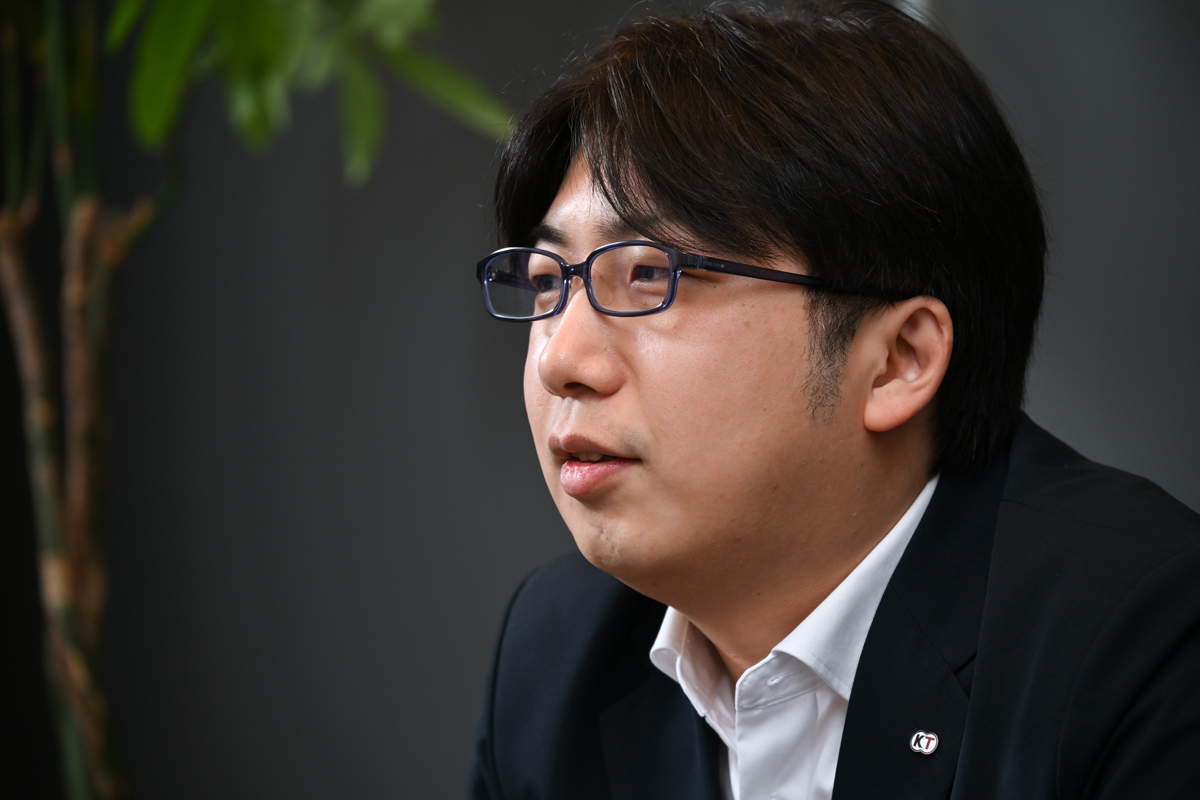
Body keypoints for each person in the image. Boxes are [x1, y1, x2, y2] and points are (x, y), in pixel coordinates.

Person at [467, 2, 1200, 798]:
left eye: (650, 274)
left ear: (897, 361)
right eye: (547, 281)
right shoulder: (558, 654)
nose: (561, 361)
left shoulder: (1148, 641)